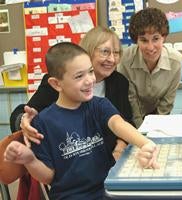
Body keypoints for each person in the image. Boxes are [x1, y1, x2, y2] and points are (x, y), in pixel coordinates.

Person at [4, 42, 159, 200]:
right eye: (79, 76)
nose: (89, 80)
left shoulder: (99, 105)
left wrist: (145, 143)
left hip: (109, 190)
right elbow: (48, 177)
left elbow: (118, 124)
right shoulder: (43, 123)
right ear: (56, 84)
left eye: (90, 71)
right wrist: (30, 160)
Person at [10, 26, 133, 161]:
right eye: (105, 52)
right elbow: (22, 114)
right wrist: (24, 120)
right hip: (69, 161)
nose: (112, 59)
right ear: (88, 51)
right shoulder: (59, 82)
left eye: (116, 53)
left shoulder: (119, 82)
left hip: (108, 159)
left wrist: (119, 149)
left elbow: (126, 120)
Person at [117, 7, 182, 128]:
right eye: (144, 40)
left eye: (156, 39)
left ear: (163, 37)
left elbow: (167, 102)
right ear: (136, 40)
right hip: (131, 115)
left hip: (158, 115)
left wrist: (154, 129)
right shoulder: (125, 59)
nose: (150, 47)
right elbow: (131, 99)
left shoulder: (176, 61)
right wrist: (141, 130)